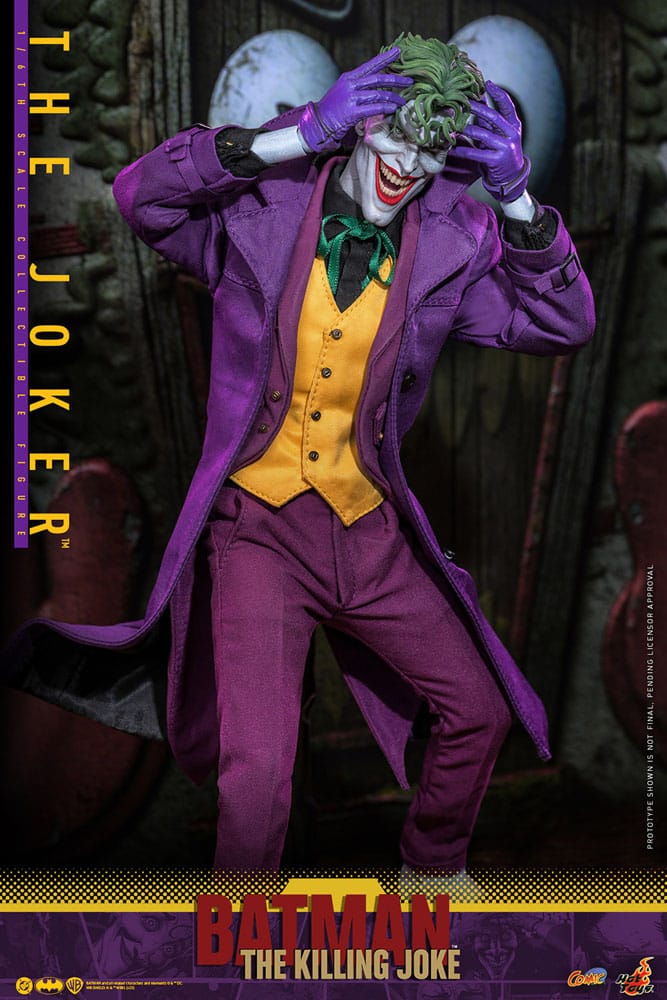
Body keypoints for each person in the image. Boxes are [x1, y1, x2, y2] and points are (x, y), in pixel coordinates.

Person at [7, 33, 595, 881]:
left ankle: (432, 872)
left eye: (430, 150)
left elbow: (561, 322)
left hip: (369, 535)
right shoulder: (261, 211)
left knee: (479, 708)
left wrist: (514, 198)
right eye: (395, 136)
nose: (406, 166)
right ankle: (241, 931)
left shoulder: (452, 242)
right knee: (257, 779)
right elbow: (141, 197)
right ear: (361, 125)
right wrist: (298, 133)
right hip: (257, 535)